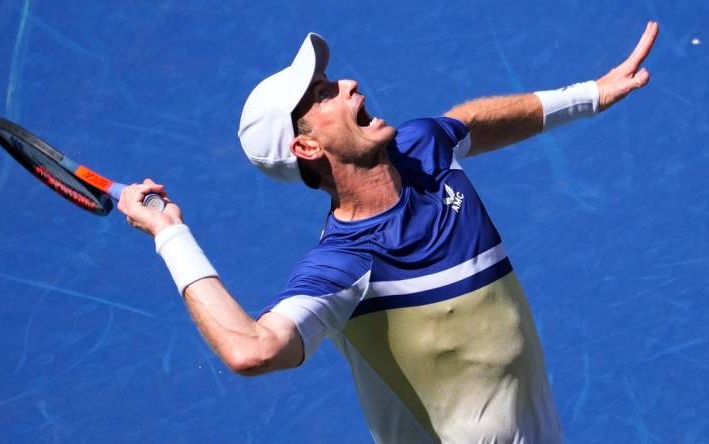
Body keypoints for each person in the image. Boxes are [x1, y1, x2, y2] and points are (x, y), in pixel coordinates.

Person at [118, 21, 659, 444]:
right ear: (307, 148)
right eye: (326, 95)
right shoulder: (345, 266)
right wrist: (171, 234)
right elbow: (252, 350)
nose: (350, 84)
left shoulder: (425, 149)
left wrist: (589, 94)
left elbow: (469, 121)